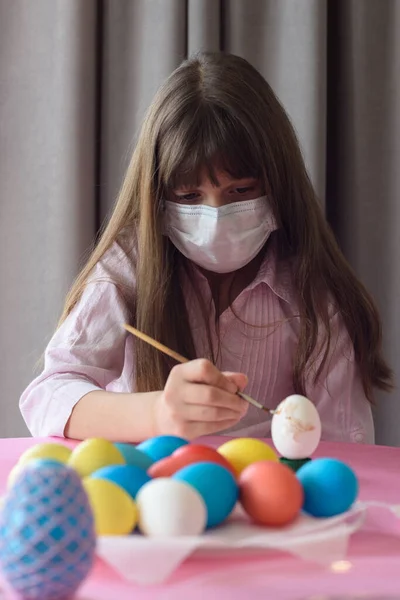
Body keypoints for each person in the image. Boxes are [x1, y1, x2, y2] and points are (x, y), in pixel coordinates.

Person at [20, 52, 392, 445]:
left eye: (241, 191)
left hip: (267, 499)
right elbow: (49, 394)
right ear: (158, 197)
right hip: (149, 495)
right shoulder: (130, 267)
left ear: (278, 183)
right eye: (189, 195)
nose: (216, 216)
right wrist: (157, 413)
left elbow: (343, 448)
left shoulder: (314, 295)